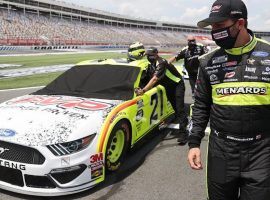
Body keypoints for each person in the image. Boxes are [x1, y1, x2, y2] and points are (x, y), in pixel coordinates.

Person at [187, 0, 270, 199]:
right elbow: (200, 106)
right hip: (221, 151)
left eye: (219, 26)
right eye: (212, 27)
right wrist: (194, 143)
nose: (214, 32)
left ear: (240, 23)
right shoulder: (207, 61)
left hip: (262, 152)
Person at [135, 47, 188, 144]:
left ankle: (183, 134)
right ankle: (180, 119)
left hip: (177, 85)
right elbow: (149, 78)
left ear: (156, 54)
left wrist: (143, 90)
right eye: (147, 55)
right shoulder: (152, 64)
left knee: (180, 108)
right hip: (168, 87)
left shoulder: (161, 63)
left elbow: (154, 79)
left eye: (150, 55)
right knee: (175, 107)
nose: (149, 57)